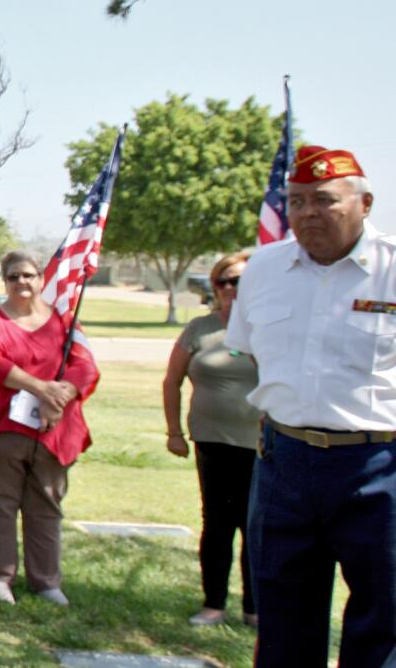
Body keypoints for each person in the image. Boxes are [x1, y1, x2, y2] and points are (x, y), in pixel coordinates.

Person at [226, 146, 396, 668]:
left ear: (364, 203)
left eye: (325, 200)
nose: (307, 214)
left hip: (378, 467)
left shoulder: (390, 269)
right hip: (286, 463)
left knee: (383, 618)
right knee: (281, 619)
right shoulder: (264, 268)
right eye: (296, 201)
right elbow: (252, 351)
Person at [0, 250, 99, 606]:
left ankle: (46, 582)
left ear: (41, 279)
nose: (23, 282)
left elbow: (86, 367)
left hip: (52, 432)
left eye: (29, 275)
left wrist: (61, 394)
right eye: (14, 276)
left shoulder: (65, 323)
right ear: (5, 282)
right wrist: (41, 387)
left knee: (46, 505)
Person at [162, 250, 259, 627]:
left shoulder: (268, 329)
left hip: (262, 445)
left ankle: (255, 608)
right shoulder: (200, 329)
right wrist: (174, 431)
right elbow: (172, 380)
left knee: (256, 526)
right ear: (214, 287)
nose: (232, 288)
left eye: (240, 281)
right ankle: (214, 602)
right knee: (217, 522)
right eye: (225, 281)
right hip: (212, 440)